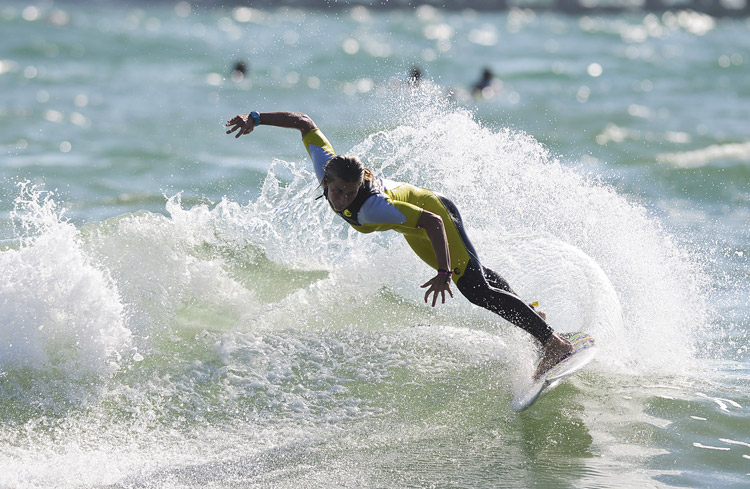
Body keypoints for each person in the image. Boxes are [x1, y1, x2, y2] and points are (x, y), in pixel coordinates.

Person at [225, 111, 573, 378]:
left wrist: (442, 271)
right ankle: (535, 317)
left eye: (351, 192)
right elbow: (303, 122)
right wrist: (255, 118)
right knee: (476, 274)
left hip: (432, 215)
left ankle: (552, 343)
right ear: (325, 180)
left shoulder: (373, 206)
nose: (343, 199)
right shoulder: (326, 165)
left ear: (361, 184)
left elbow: (433, 222)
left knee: (475, 289)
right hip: (414, 228)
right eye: (337, 191)